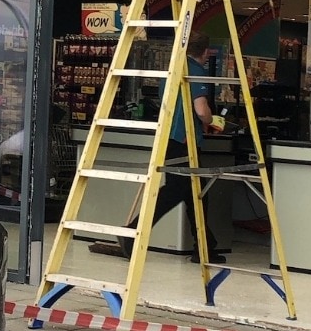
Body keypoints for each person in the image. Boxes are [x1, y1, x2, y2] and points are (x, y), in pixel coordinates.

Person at [93, 30, 223, 262]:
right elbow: (201, 110)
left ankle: (204, 246)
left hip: (167, 136)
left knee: (195, 193)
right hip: (185, 141)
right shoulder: (196, 72)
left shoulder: (171, 70)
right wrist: (213, 120)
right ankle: (134, 232)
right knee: (179, 192)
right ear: (205, 52)